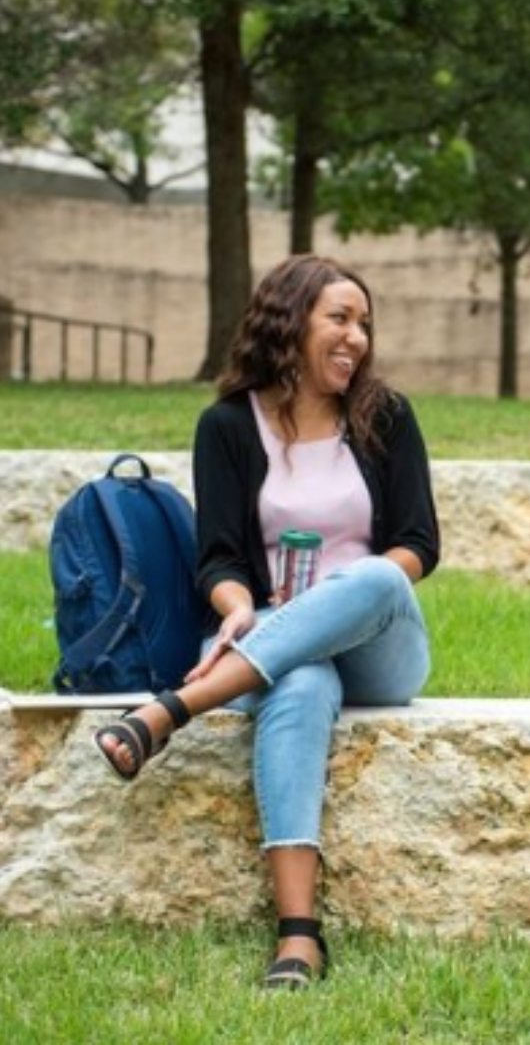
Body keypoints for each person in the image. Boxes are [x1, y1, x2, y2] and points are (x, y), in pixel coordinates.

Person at [92, 253, 439, 990]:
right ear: (290, 322)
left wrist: (349, 593)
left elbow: (417, 545)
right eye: (339, 319)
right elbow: (217, 558)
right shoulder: (226, 426)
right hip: (270, 638)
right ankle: (298, 936)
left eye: (365, 324)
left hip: (382, 641)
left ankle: (168, 712)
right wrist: (241, 607)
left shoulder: (386, 417)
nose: (357, 339)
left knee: (375, 575)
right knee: (303, 682)